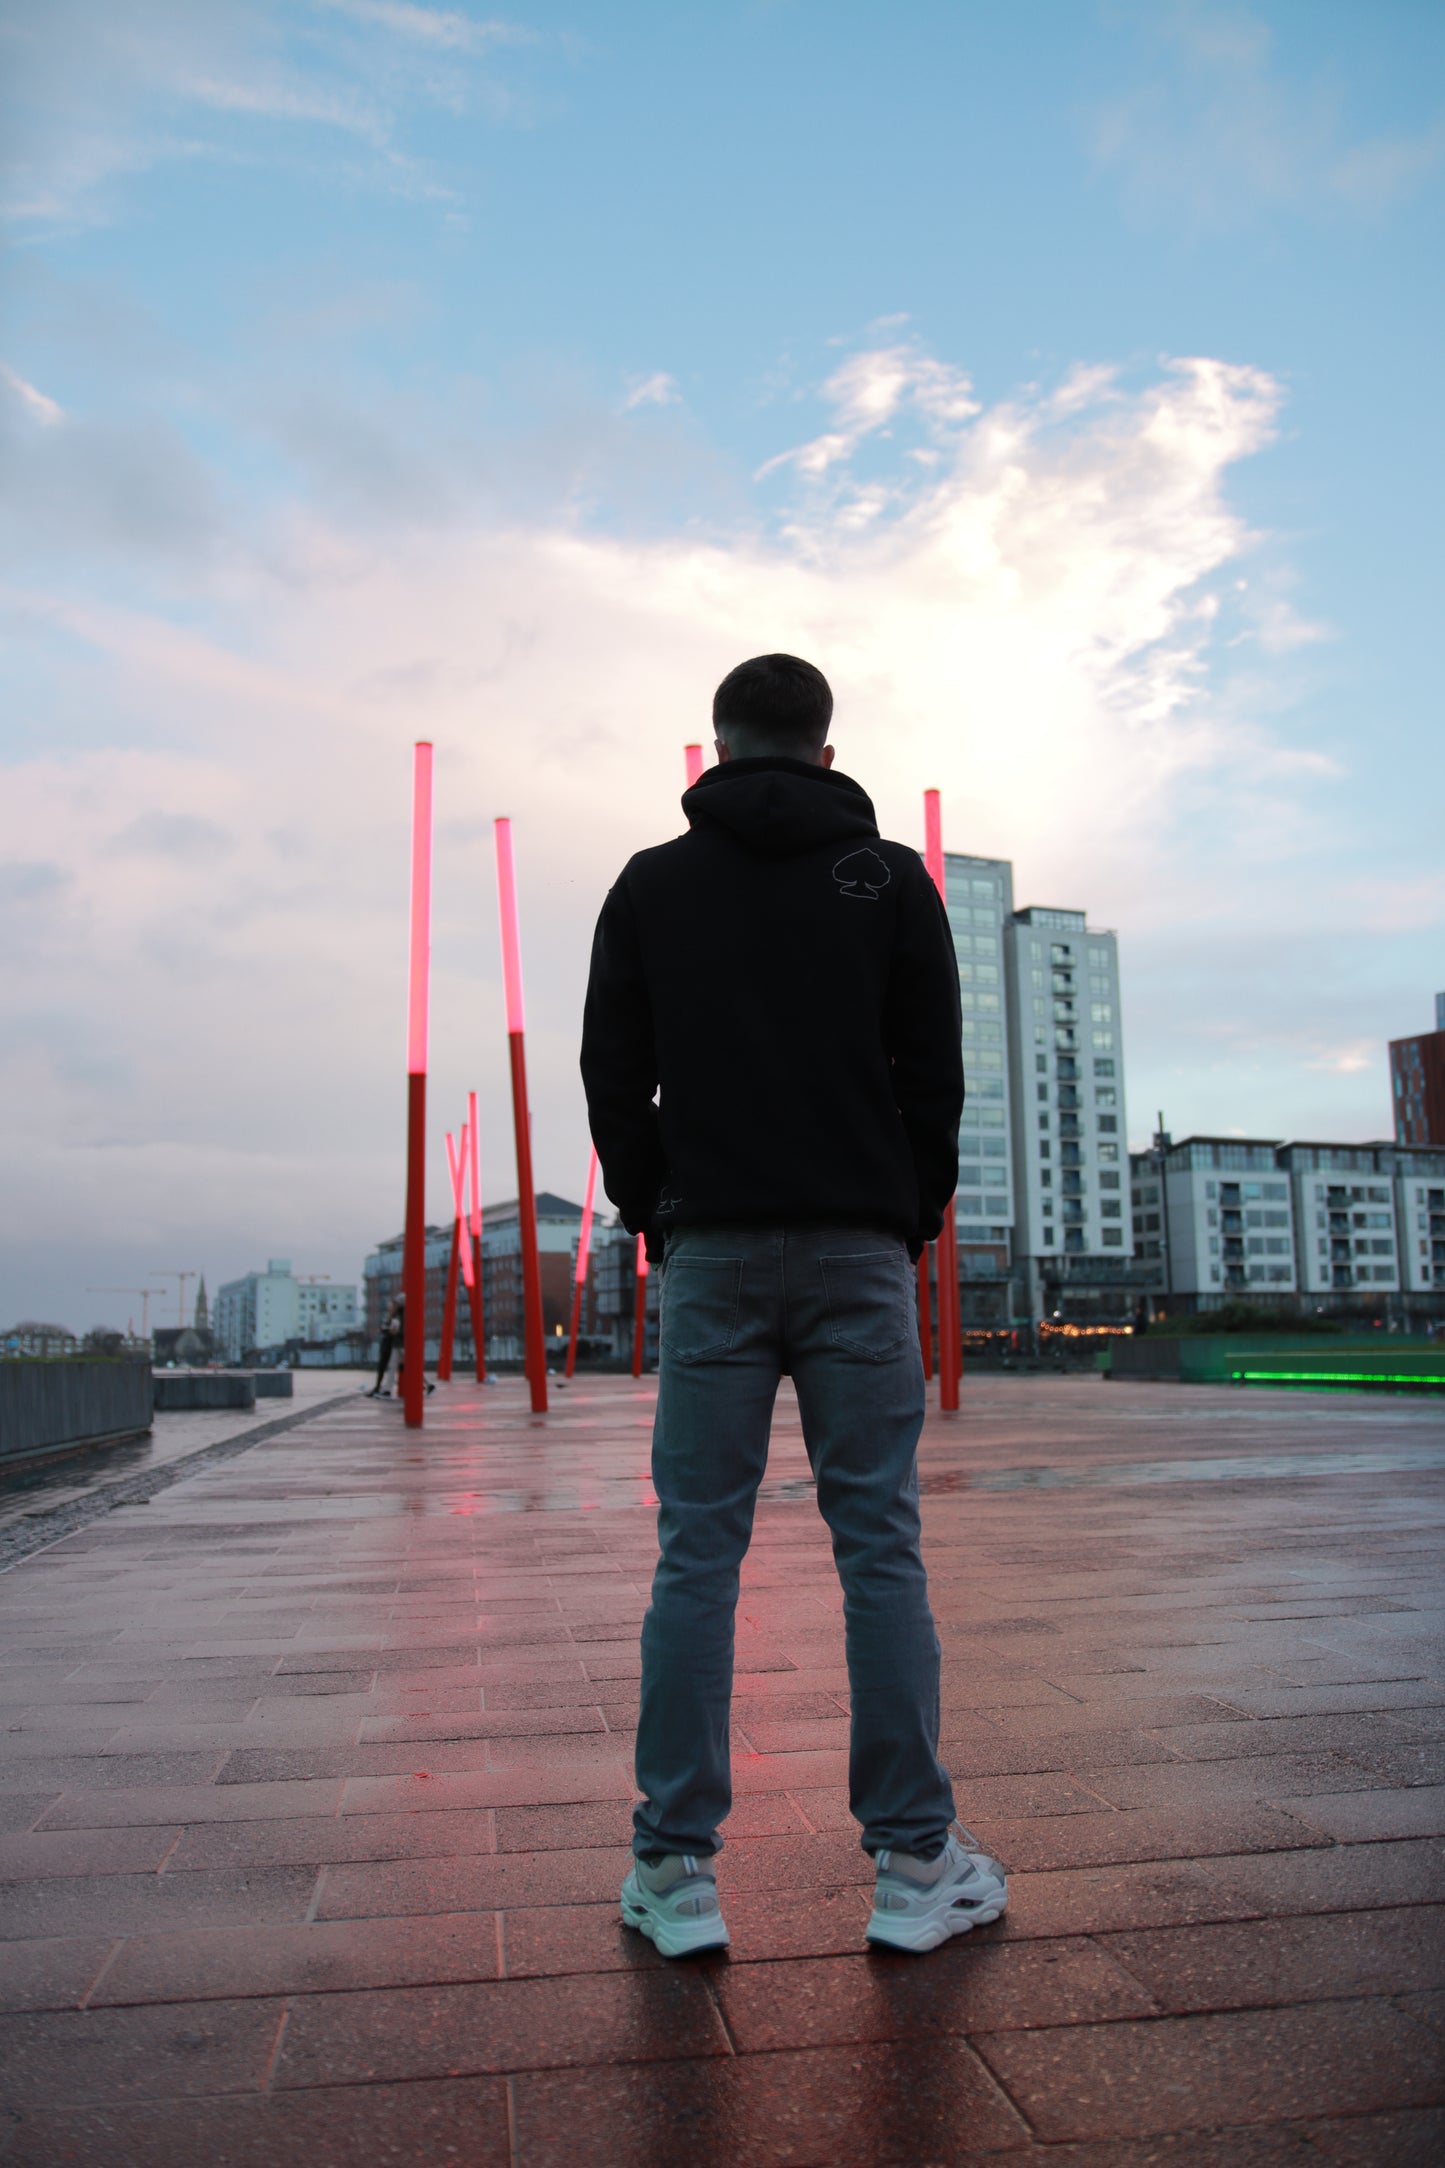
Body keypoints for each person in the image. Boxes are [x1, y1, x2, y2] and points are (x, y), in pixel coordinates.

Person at [580, 653, 1007, 1958]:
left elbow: (614, 1070)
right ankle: (914, 1864)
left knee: (695, 1550)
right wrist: (904, 1208)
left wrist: (659, 1203)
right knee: (877, 1542)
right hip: (852, 1250)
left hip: (709, 1249)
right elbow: (935, 1072)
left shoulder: (652, 883)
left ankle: (675, 1871)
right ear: (826, 751)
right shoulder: (884, 880)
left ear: (709, 751)